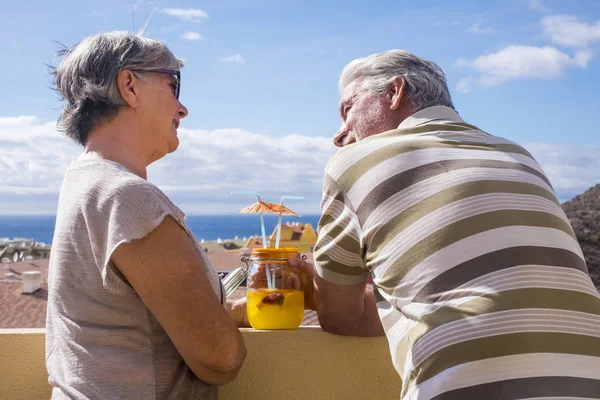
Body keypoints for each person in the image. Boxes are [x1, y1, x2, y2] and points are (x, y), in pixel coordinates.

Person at [296, 50, 600, 399]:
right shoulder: (518, 154)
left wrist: (311, 286)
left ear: (395, 92)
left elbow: (340, 317)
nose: (340, 133)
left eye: (347, 109)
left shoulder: (354, 161)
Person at [46, 31, 248, 399]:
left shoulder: (83, 181)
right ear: (130, 86)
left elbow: (131, 318)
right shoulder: (128, 198)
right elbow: (221, 357)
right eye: (174, 84)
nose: (182, 108)